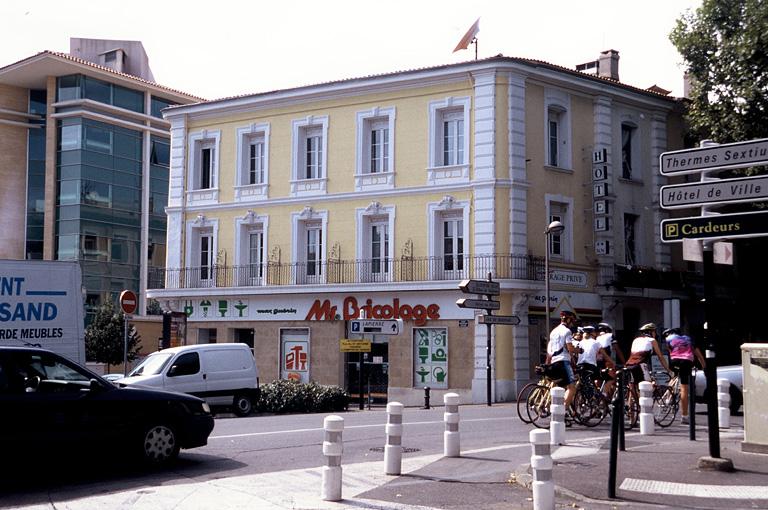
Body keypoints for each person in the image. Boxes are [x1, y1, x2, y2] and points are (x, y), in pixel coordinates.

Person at [663, 328, 706, 424]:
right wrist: (704, 368)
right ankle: (684, 416)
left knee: (674, 375)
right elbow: (699, 356)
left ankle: (668, 396)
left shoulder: (669, 339)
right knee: (684, 388)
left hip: (675, 361)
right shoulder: (688, 339)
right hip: (686, 362)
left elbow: (671, 353)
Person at [546, 310, 577, 409]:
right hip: (563, 362)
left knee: (560, 387)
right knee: (572, 388)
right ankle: (564, 411)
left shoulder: (553, 331)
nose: (572, 324)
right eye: (572, 321)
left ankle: (550, 407)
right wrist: (579, 350)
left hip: (554, 361)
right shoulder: (567, 331)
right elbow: (570, 348)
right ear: (568, 320)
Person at [625, 323, 671, 387]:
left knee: (633, 384)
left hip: (629, 364)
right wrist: (668, 370)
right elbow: (660, 357)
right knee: (648, 386)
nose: (655, 334)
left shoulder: (636, 340)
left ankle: (630, 397)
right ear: (650, 332)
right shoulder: (652, 340)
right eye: (654, 332)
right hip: (640, 365)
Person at [575, 325, 614, 390]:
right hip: (591, 367)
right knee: (610, 379)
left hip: (580, 366)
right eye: (595, 332)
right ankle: (604, 394)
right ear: (592, 333)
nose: (596, 333)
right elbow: (605, 356)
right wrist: (613, 364)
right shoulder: (596, 342)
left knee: (583, 381)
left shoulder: (580, 343)